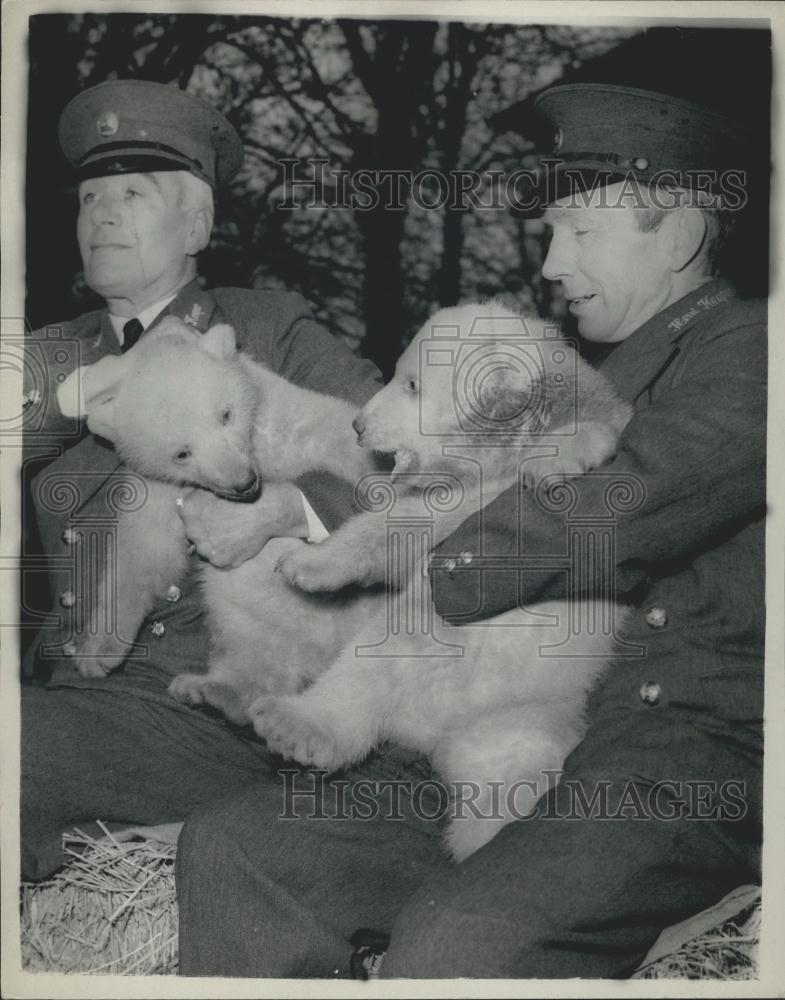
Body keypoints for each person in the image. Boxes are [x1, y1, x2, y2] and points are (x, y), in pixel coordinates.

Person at [174, 85, 766, 978]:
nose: (552, 263)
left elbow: (629, 495)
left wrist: (430, 553)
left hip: (661, 756)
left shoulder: (754, 352)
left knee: (458, 944)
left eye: (578, 231)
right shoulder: (546, 362)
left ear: (679, 235)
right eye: (548, 235)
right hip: (481, 713)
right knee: (236, 849)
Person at [20, 78, 435, 881]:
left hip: (210, 707)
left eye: (134, 193)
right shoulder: (52, 353)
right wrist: (101, 377)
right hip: (70, 691)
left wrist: (292, 509)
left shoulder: (272, 326)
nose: (102, 213)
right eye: (89, 197)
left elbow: (408, 469)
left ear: (198, 223)